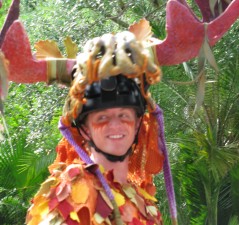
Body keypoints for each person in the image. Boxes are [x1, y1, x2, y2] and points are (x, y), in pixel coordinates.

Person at [25, 30, 177, 225]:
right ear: (84, 130)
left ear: (138, 123)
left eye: (124, 115)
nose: (115, 125)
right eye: (102, 117)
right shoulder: (74, 186)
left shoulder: (144, 202)